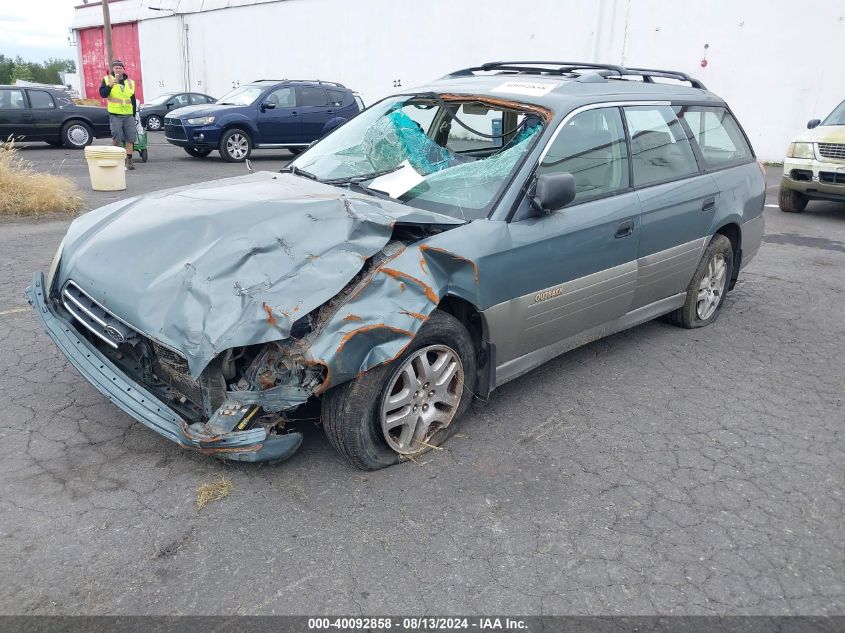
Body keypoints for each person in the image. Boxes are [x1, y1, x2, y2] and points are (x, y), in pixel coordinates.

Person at [99, 59, 137, 170]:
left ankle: (129, 161)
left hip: (128, 115)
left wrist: (134, 114)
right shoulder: (107, 79)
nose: (118, 70)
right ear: (113, 69)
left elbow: (132, 99)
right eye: (116, 68)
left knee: (131, 138)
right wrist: (110, 85)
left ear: (123, 69)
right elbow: (103, 94)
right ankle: (115, 159)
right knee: (117, 137)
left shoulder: (130, 82)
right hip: (115, 114)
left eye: (120, 68)